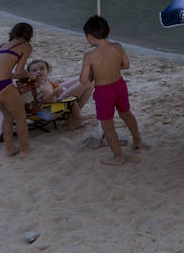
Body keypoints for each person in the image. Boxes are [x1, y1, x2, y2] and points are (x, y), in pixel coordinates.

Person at [79, 15, 145, 165]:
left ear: (89, 37)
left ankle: (118, 157)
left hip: (104, 92)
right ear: (108, 32)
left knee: (107, 125)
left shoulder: (89, 56)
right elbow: (126, 65)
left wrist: (93, 74)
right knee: (126, 114)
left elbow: (83, 80)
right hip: (119, 86)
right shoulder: (117, 46)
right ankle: (137, 140)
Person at [0, 22, 34, 157]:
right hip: (1, 85)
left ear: (13, 33)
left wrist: (15, 75)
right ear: (29, 35)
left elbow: (6, 71)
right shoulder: (25, 46)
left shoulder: (1, 46)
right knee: (21, 117)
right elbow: (20, 71)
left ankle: (10, 150)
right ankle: (25, 150)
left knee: (8, 116)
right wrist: (30, 76)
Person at [26, 59, 94, 129]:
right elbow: (45, 101)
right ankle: (74, 120)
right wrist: (54, 93)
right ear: (29, 74)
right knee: (82, 88)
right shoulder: (39, 86)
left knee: (81, 78)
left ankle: (74, 117)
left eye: (42, 68)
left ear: (48, 70)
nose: (38, 71)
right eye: (34, 70)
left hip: (54, 100)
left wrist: (57, 90)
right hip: (49, 110)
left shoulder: (44, 81)